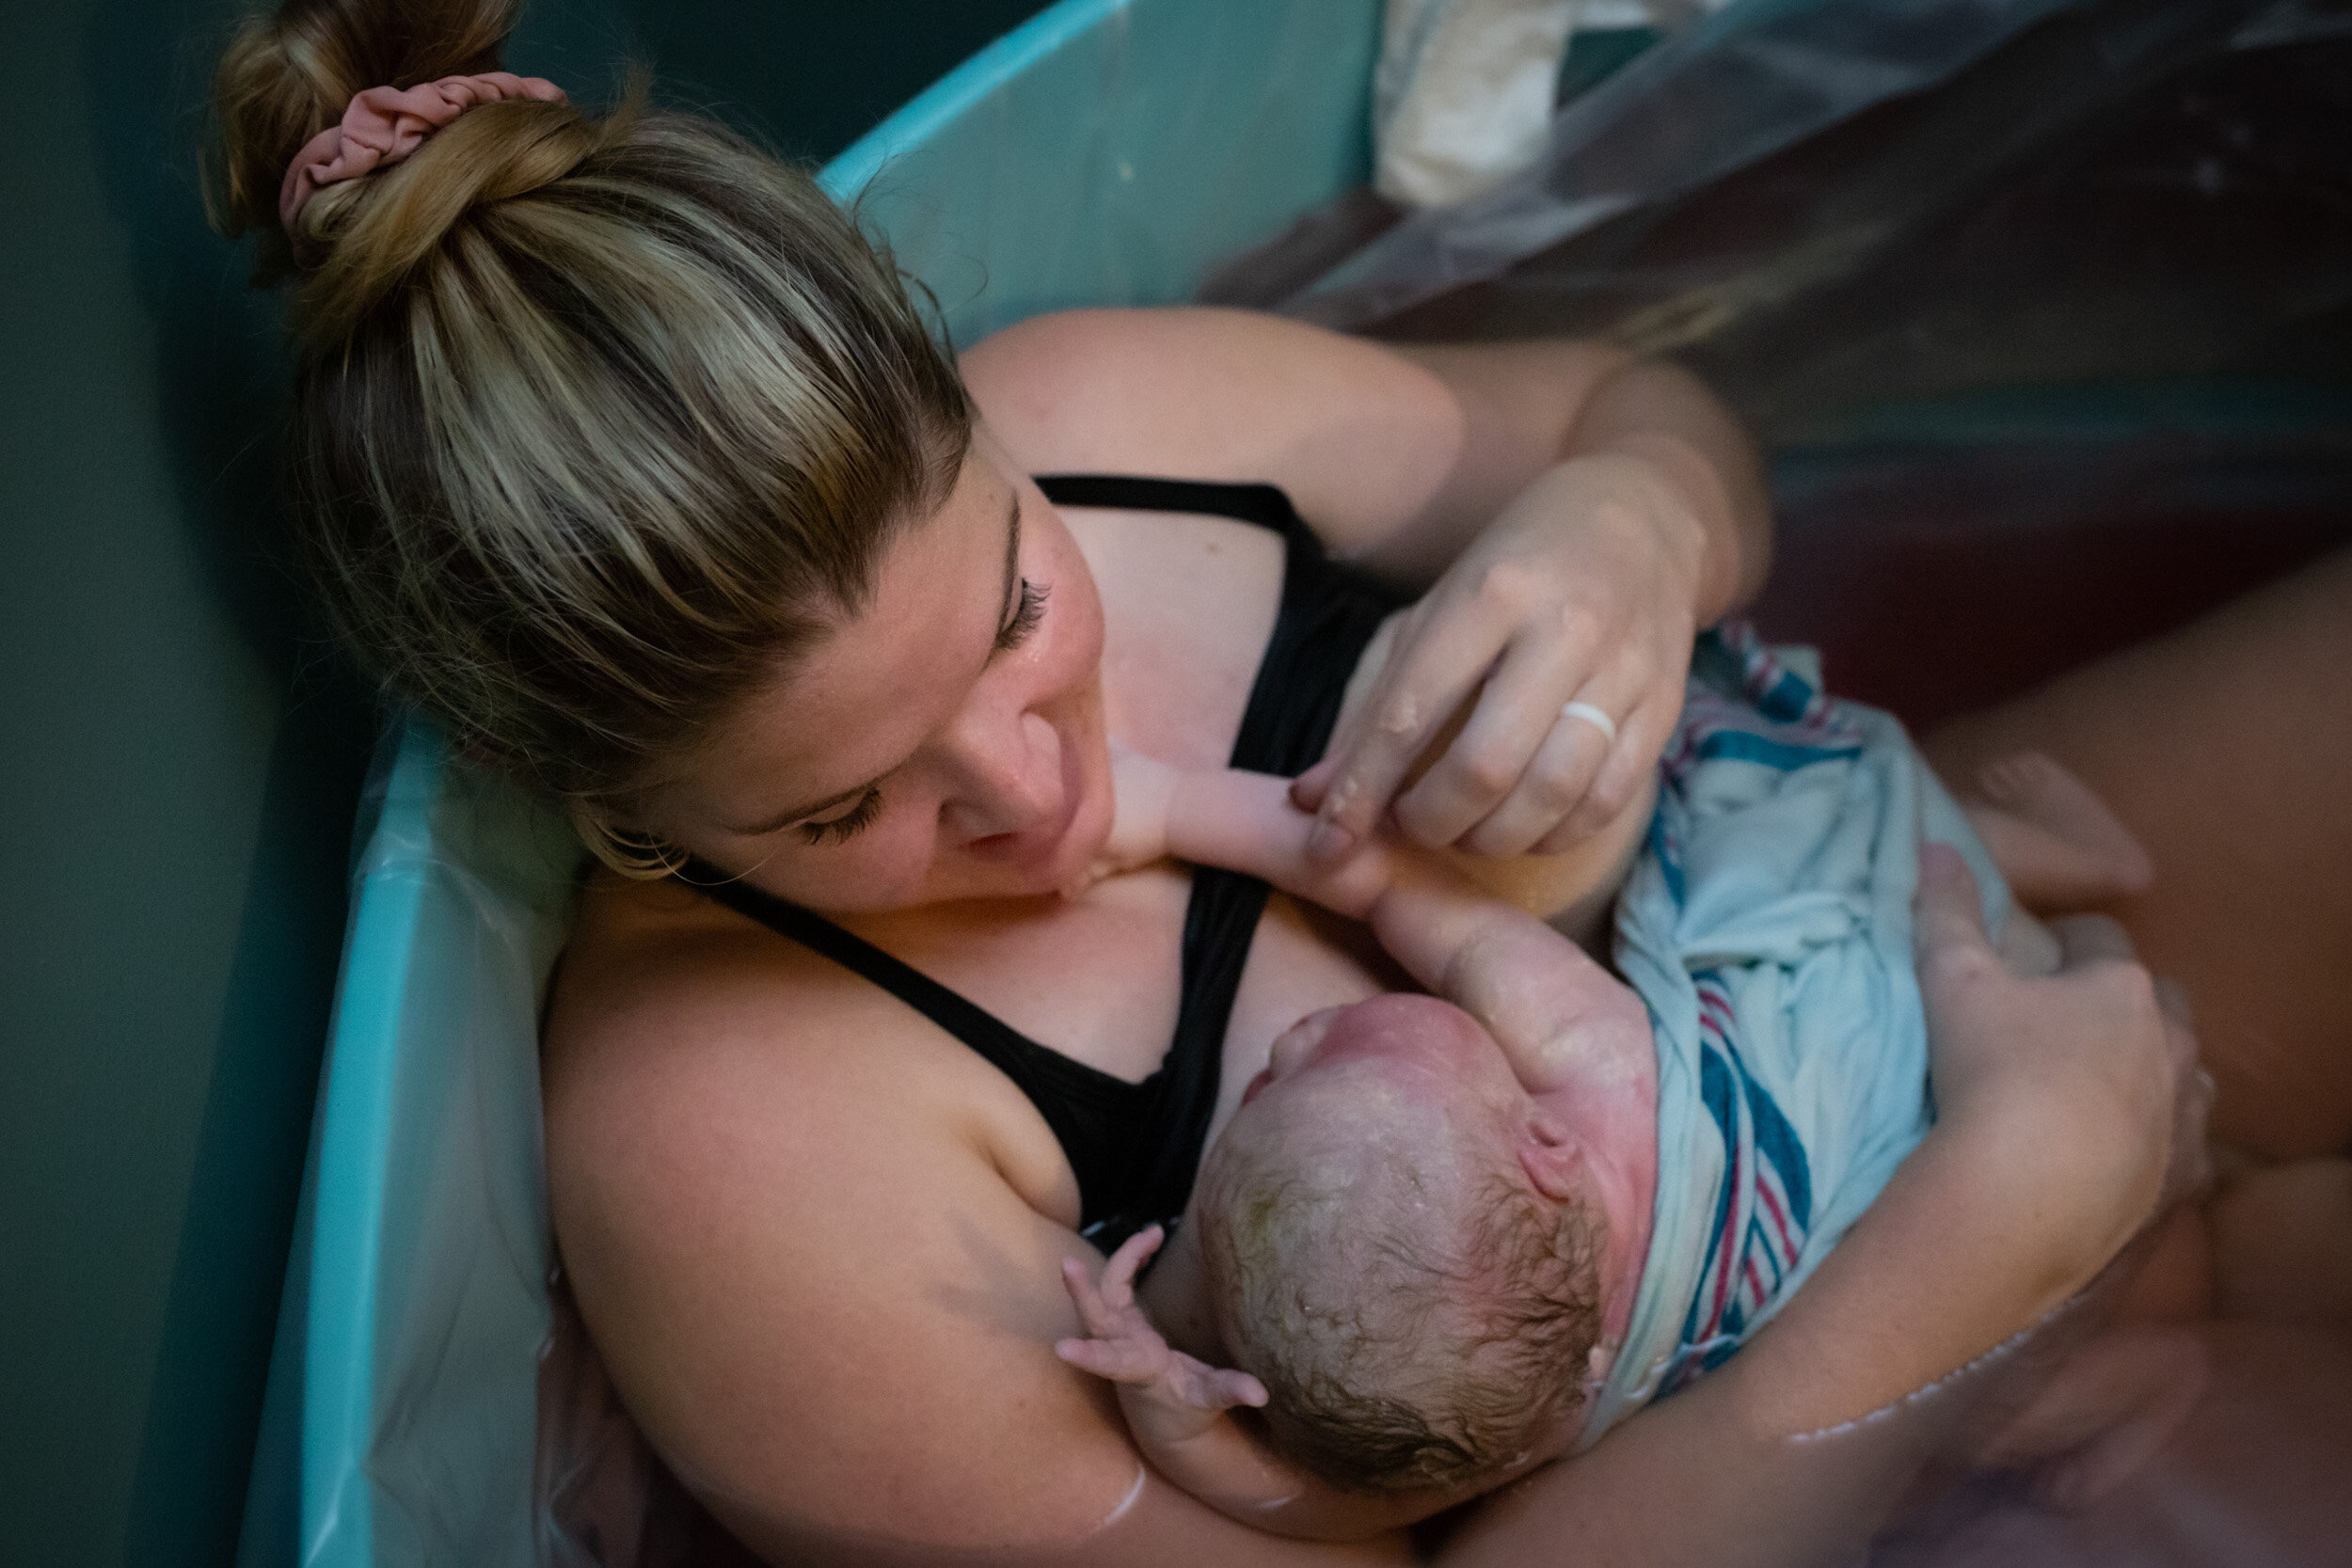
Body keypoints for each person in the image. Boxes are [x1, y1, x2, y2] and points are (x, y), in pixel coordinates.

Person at [205, 3, 2323, 1561]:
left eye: (1018, 602)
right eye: (849, 810)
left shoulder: (1096, 406)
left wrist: (1634, 522)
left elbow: (1638, 404)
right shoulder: (743, 1169)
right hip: (1813, 1443)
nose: (1036, 793)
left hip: (1900, 924)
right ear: (573, 781)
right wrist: (1972, 1264)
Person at [1050, 676, 2231, 1537]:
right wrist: (1162, 810)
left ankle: (2124, 1371)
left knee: (1953, 1415)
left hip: (1936, 1239)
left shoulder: (1540, 1412)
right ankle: (2084, 875)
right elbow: (1391, 878)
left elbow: (1338, 1509)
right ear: (1545, 1147)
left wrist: (1188, 1432)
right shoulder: (1603, 1075)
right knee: (1900, 860)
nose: (1295, 1036)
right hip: (1934, 1066)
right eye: (1311, 1067)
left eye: (1273, 1073)